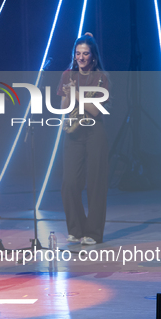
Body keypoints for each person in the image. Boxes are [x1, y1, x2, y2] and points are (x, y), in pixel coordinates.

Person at [57, 33, 110, 246]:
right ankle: (76, 229)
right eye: (78, 53)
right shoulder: (67, 75)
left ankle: (94, 233)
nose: (81, 57)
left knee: (96, 184)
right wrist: (69, 95)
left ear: (93, 56)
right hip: (74, 132)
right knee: (69, 183)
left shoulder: (101, 78)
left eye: (85, 53)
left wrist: (77, 94)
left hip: (95, 132)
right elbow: (63, 107)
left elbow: (95, 111)